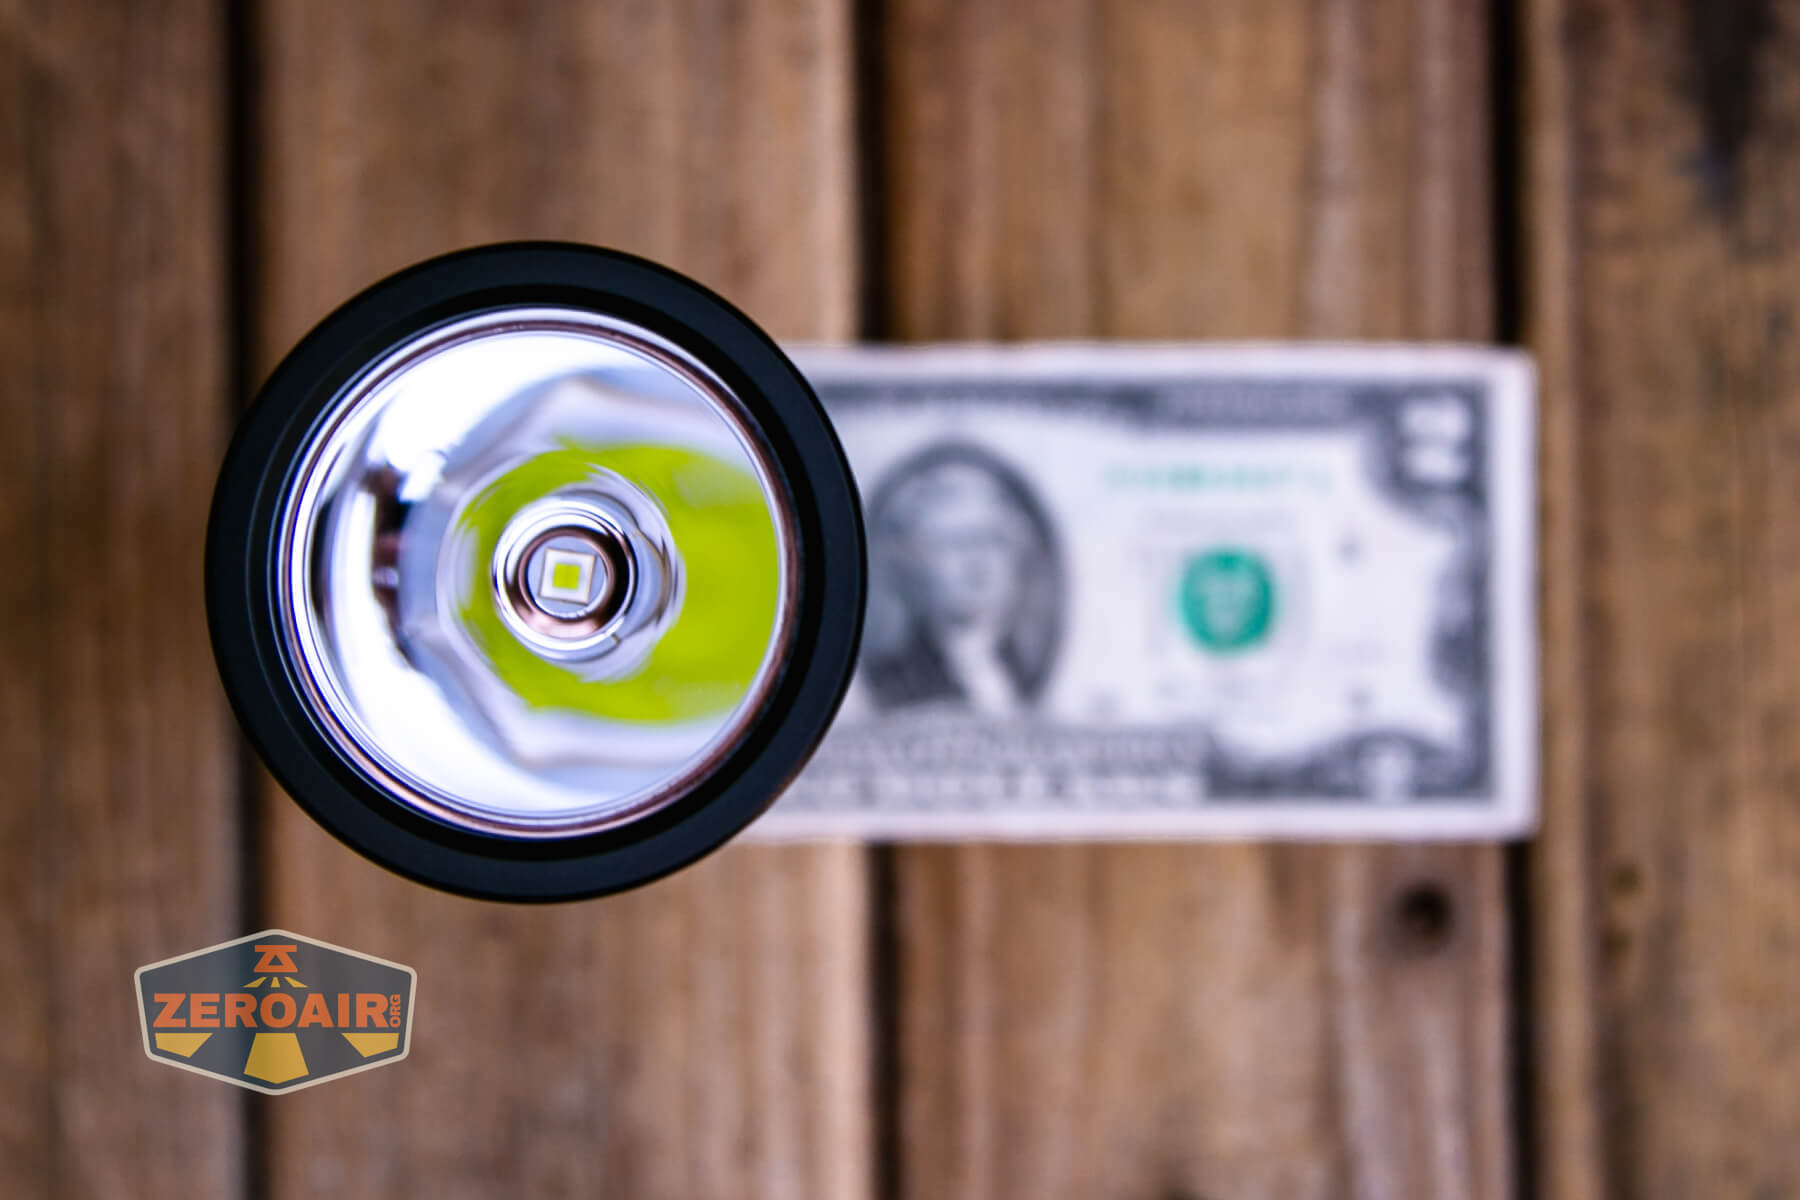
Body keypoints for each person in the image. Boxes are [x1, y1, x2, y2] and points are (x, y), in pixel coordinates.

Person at [863, 444, 1060, 715]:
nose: (978, 561)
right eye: (956, 543)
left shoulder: (1018, 667)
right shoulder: (895, 677)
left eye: (992, 541)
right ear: (916, 562)